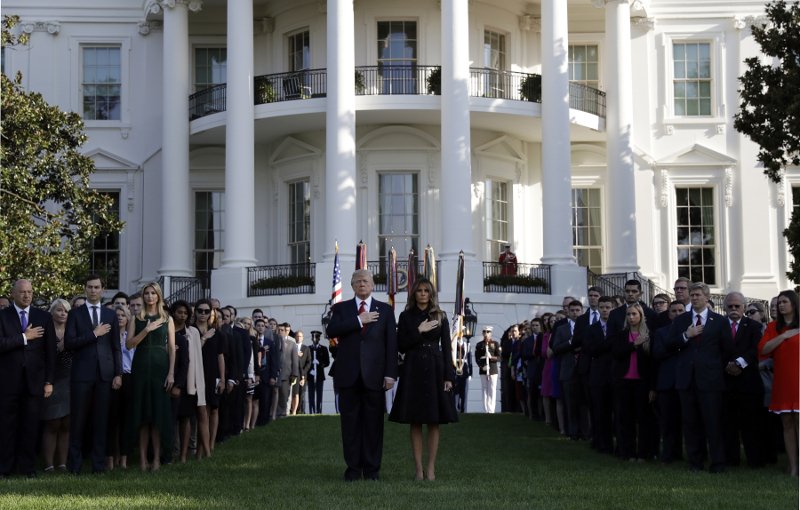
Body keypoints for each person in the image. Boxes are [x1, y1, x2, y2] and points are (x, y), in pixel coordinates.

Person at [325, 269, 398, 481]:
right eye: (357, 281)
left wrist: (391, 374)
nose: (361, 284)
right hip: (348, 376)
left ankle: (372, 470)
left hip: (375, 377)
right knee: (350, 426)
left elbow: (391, 344)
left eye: (365, 280)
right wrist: (359, 320)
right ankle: (354, 470)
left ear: (373, 284)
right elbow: (331, 331)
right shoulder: (341, 308)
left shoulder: (385, 310)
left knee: (374, 426)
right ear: (352, 286)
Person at [389, 278, 458, 481]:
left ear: (431, 293)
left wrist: (449, 376)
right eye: (419, 290)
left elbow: (447, 347)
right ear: (414, 293)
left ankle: (431, 468)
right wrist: (420, 331)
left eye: (426, 291)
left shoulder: (441, 316)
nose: (422, 294)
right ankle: (418, 469)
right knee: (416, 420)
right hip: (413, 368)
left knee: (434, 420)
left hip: (436, 369)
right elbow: (401, 345)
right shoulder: (405, 316)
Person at [665, 282, 734, 473]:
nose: (694, 298)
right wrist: (686, 335)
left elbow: (727, 349)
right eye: (692, 294)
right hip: (686, 379)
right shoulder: (681, 320)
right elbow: (669, 344)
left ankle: (718, 463)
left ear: (706, 297)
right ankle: (695, 462)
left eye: (697, 295)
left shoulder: (719, 321)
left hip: (710, 380)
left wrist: (716, 368)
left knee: (713, 423)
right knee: (691, 422)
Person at [64, 275, 121, 474]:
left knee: (101, 421)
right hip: (81, 374)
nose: (93, 290)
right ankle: (75, 466)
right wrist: (94, 334)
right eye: (90, 287)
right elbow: (69, 344)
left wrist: (118, 373)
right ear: (85, 289)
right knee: (78, 421)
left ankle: (98, 466)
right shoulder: (75, 314)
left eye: (97, 287)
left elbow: (116, 347)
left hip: (105, 375)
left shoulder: (110, 314)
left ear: (103, 290)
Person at [0, 279, 56, 478]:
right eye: (22, 292)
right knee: (6, 427)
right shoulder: (3, 316)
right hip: (7, 382)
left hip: (35, 382)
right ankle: (5, 469)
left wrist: (49, 381)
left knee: (30, 427)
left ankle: (27, 469)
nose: (26, 295)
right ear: (13, 294)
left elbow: (50, 353)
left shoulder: (44, 317)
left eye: (30, 292)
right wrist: (24, 337)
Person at [125, 282, 175, 472]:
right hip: (141, 366)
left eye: (153, 293)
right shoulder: (136, 318)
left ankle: (156, 460)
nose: (149, 296)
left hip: (160, 367)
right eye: (146, 293)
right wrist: (146, 330)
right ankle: (143, 460)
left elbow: (171, 348)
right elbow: (129, 345)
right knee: (143, 415)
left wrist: (171, 373)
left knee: (157, 415)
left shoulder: (167, 318)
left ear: (158, 296)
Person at [757, 290, 799, 476]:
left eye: (785, 302)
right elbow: (763, 349)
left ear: (794, 304)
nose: (781, 305)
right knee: (787, 424)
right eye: (779, 302)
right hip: (782, 382)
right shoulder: (773, 327)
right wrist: (783, 336)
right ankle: (793, 467)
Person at [720, 292, 765, 468]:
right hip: (726, 381)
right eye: (730, 306)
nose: (733, 309)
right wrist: (727, 365)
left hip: (749, 383)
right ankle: (731, 460)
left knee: (752, 424)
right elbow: (714, 349)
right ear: (724, 307)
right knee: (728, 424)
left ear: (744, 308)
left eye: (737, 306)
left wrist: (739, 363)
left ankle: (755, 461)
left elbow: (756, 349)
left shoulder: (753, 326)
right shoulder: (718, 326)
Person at [612, 303, 656, 461]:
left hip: (642, 383)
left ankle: (644, 453)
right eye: (629, 314)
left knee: (644, 420)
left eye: (634, 314)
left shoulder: (649, 335)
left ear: (641, 316)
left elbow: (653, 363)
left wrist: (652, 387)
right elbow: (616, 354)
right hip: (624, 382)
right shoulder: (621, 335)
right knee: (625, 419)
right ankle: (627, 452)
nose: (631, 317)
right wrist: (634, 345)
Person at [171, 300, 210, 462]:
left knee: (185, 418)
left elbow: (196, 358)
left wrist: (194, 383)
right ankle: (171, 451)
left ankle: (183, 455)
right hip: (168, 377)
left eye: (185, 313)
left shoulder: (192, 332)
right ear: (173, 312)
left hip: (188, 379)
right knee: (170, 418)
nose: (182, 315)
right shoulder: (167, 329)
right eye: (179, 312)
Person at [651, 300, 686, 464]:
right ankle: (668, 454)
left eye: (681, 311)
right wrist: (677, 347)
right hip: (667, 383)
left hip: (687, 381)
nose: (677, 314)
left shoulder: (692, 331)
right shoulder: (661, 332)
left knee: (688, 421)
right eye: (674, 311)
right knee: (668, 421)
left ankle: (686, 453)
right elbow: (657, 353)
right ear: (669, 313)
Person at [40, 298, 72, 473]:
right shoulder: (45, 331)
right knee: (52, 422)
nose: (62, 313)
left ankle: (62, 464)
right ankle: (48, 465)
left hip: (70, 380)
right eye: (59, 310)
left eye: (66, 311)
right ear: (52, 312)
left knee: (66, 423)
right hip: (51, 381)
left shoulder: (72, 331)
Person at [584, 296, 615, 455]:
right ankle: (600, 442)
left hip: (615, 373)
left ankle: (613, 443)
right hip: (597, 374)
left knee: (614, 411)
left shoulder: (618, 328)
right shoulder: (592, 328)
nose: (604, 310)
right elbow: (591, 349)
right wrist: (608, 345)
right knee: (599, 411)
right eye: (602, 307)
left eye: (608, 307)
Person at [194, 299, 225, 454]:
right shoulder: (191, 330)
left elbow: (220, 356)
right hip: (195, 375)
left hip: (212, 375)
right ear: (195, 311)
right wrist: (204, 337)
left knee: (212, 410)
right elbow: (192, 353)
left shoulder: (217, 333)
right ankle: (203, 451)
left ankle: (208, 447)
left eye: (207, 311)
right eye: (200, 310)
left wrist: (223, 379)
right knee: (201, 413)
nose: (203, 314)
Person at [106, 305, 135, 470]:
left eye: (122, 315)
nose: (119, 317)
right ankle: (110, 458)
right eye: (116, 315)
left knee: (126, 421)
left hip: (129, 378)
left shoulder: (132, 336)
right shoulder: (108, 336)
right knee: (112, 420)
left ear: (127, 317)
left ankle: (123, 458)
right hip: (112, 379)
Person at [475, 326, 500, 413]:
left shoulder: (495, 344)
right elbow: (477, 358)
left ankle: (491, 410)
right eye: (484, 332)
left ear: (491, 333)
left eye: (488, 332)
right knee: (484, 389)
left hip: (493, 369)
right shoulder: (479, 345)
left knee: (492, 389)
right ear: (482, 333)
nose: (486, 333)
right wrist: (482, 367)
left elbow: (500, 357)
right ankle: (486, 410)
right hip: (483, 369)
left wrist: (491, 357)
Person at [307, 330, 330, 414]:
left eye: (316, 337)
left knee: (319, 394)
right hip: (311, 375)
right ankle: (311, 411)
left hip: (319, 375)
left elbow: (327, 362)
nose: (314, 339)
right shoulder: (308, 348)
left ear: (319, 338)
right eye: (313, 337)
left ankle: (319, 411)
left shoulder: (323, 348)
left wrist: (320, 363)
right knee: (311, 394)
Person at [453, 331, 472, 413]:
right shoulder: (453, 344)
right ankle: (455, 409)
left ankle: (464, 410)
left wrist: (470, 373)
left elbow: (469, 359)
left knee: (464, 392)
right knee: (456, 391)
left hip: (464, 371)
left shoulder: (467, 345)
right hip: (455, 370)